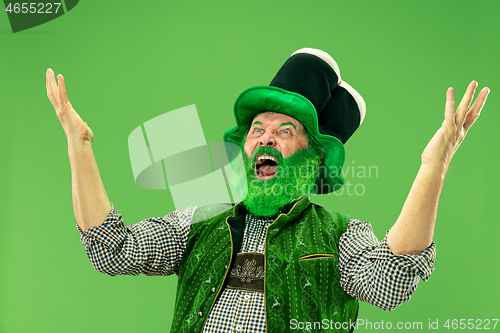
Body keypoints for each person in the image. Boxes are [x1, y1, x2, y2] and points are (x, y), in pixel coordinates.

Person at [46, 48, 489, 333]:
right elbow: (111, 249)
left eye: (285, 130)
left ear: (312, 158)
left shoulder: (341, 235)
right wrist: (79, 144)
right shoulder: (200, 222)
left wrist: (435, 165)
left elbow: (389, 281)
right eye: (257, 128)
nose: (264, 137)